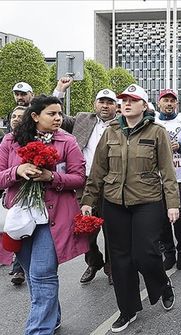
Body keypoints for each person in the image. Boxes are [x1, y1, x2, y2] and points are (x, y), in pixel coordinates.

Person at [80, 84, 179, 333]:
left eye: (133, 100)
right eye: (123, 100)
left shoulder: (157, 132)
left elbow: (168, 172)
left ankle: (162, 284)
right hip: (114, 202)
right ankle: (128, 309)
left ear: (144, 106)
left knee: (145, 254)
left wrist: (173, 204)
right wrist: (88, 201)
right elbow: (98, 171)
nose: (126, 103)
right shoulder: (111, 132)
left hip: (148, 200)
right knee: (121, 259)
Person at [0, 95, 88, 335]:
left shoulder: (67, 141)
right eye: (52, 114)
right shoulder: (11, 141)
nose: (58, 118)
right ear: (35, 116)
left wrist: (52, 177)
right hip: (20, 218)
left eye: (60, 113)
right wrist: (18, 172)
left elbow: (79, 177)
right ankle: (53, 316)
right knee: (32, 273)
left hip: (53, 219)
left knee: (42, 274)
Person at [66, 89, 119, 285]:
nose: (105, 105)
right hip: (84, 183)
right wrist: (61, 90)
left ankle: (112, 268)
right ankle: (93, 261)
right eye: (101, 101)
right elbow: (55, 116)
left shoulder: (122, 124)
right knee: (84, 230)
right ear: (94, 104)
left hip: (111, 183)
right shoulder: (82, 119)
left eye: (110, 102)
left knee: (112, 230)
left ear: (116, 106)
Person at [154, 89, 181, 270]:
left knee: (178, 215)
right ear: (158, 103)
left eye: (172, 101)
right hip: (157, 178)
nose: (169, 104)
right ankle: (169, 253)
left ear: (176, 103)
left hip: (180, 176)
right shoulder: (152, 123)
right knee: (161, 218)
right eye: (165, 100)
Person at [2, 106, 28, 284]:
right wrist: (16, 171)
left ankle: (21, 269)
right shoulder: (7, 140)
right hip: (14, 198)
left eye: (20, 116)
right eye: (13, 116)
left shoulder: (40, 139)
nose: (16, 119)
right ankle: (19, 268)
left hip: (37, 201)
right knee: (16, 233)